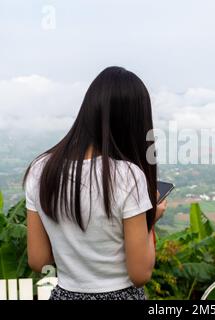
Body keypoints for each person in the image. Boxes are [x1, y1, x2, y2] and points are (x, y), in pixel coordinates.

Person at [23, 66, 167, 300]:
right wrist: (150, 221)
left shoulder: (40, 170)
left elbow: (38, 261)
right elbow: (140, 274)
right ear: (134, 122)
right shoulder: (128, 176)